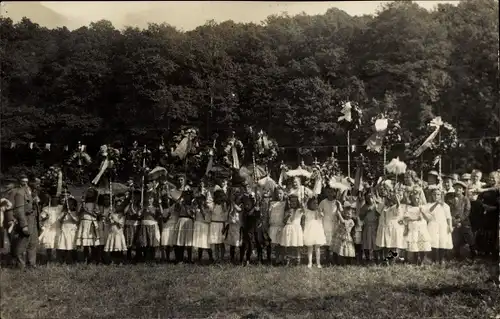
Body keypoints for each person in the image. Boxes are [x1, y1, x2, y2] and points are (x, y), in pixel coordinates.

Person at [7, 175, 39, 269]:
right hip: (25, 220)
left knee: (32, 243)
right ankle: (20, 265)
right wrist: (23, 225)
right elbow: (19, 210)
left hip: (33, 221)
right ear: (30, 182)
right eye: (37, 183)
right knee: (21, 244)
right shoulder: (19, 192)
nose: (38, 185)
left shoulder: (33, 192)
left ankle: (32, 265)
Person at [423, 186, 453, 265]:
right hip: (433, 225)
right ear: (432, 196)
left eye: (438, 194)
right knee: (434, 242)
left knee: (442, 241)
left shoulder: (446, 206)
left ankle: (441, 259)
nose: (436, 196)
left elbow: (448, 217)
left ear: (441, 195)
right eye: (434, 194)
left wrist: (450, 226)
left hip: (443, 225)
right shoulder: (429, 205)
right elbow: (430, 211)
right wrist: (436, 203)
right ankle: (434, 259)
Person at [449, 181, 475, 259]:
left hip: (464, 221)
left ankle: (473, 252)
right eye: (456, 188)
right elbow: (448, 210)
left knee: (469, 236)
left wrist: (460, 220)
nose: (458, 190)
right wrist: (454, 220)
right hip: (453, 221)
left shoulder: (465, 199)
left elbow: (467, 211)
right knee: (455, 238)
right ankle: (456, 254)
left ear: (463, 190)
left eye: (460, 188)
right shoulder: (450, 199)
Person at [76, 188, 101, 263]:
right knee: (85, 243)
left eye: (91, 192)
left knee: (93, 242)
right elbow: (78, 212)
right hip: (84, 222)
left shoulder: (95, 204)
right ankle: (86, 258)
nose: (89, 194)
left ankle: (94, 258)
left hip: (91, 223)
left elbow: (97, 215)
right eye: (88, 192)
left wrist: (87, 210)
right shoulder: (83, 203)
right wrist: (81, 205)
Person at [319, 187, 343, 264]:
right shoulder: (323, 202)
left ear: (334, 193)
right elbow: (319, 210)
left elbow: (341, 212)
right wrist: (321, 214)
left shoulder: (337, 202)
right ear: (326, 193)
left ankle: (335, 258)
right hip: (326, 223)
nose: (330, 193)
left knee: (335, 241)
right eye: (328, 192)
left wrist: (339, 207)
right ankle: (327, 258)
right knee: (327, 242)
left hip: (334, 223)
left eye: (331, 192)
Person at [136, 191, 161, 263]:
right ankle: (146, 257)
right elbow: (139, 215)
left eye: (151, 198)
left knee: (152, 242)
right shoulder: (143, 207)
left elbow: (160, 213)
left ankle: (152, 258)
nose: (150, 200)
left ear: (153, 199)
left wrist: (160, 204)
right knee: (145, 242)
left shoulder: (156, 208)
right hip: (144, 225)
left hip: (152, 226)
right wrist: (140, 210)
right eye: (149, 198)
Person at [280, 194, 304, 265]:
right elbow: (283, 221)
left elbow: (302, 221)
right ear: (289, 202)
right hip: (288, 228)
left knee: (296, 245)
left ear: (297, 202)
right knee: (289, 245)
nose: (293, 203)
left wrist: (303, 230)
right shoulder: (287, 211)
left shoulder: (300, 210)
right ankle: (288, 259)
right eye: (291, 201)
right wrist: (287, 216)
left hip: (296, 229)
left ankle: (297, 259)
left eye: (295, 201)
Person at [38, 194, 62, 263]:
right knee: (49, 244)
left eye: (56, 198)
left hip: (58, 227)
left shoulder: (61, 207)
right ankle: (49, 258)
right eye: (53, 198)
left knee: (58, 243)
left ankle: (58, 258)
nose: (54, 200)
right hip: (49, 228)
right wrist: (45, 217)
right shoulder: (46, 208)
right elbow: (41, 218)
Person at [303, 197, 326, 268]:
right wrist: (306, 199)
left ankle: (318, 263)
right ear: (309, 204)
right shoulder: (307, 211)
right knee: (310, 247)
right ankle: (309, 262)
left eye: (316, 203)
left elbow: (322, 216)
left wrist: (319, 211)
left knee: (317, 248)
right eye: (314, 203)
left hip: (317, 231)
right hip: (309, 231)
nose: (316, 204)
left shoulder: (318, 212)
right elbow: (303, 208)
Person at [331, 201, 356, 265]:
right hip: (340, 236)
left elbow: (343, 222)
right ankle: (337, 261)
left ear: (352, 214)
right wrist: (339, 208)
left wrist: (339, 214)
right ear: (344, 213)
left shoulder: (351, 221)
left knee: (347, 250)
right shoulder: (344, 218)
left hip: (346, 237)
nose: (348, 215)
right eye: (346, 213)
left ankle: (348, 262)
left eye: (349, 214)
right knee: (339, 249)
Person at [173, 191, 195, 263]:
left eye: (188, 196)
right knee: (181, 239)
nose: (187, 197)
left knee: (189, 240)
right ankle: (180, 259)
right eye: (185, 196)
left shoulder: (193, 204)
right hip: (181, 220)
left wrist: (189, 210)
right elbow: (176, 209)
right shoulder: (181, 204)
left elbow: (192, 214)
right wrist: (180, 198)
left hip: (189, 221)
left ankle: (189, 259)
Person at [56, 194, 79, 264]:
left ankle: (73, 260)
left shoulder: (75, 212)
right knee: (64, 245)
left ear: (74, 205)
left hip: (72, 230)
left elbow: (76, 221)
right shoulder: (63, 212)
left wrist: (71, 214)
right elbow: (60, 220)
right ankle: (63, 260)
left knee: (72, 245)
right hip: (64, 230)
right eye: (68, 204)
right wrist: (64, 215)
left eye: (71, 205)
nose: (70, 206)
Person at [104, 198, 127, 265]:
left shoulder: (122, 215)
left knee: (119, 247)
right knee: (113, 247)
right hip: (112, 232)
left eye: (120, 205)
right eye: (117, 205)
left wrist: (114, 219)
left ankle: (120, 261)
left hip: (118, 233)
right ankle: (112, 261)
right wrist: (109, 216)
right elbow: (107, 222)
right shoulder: (112, 214)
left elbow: (121, 225)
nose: (118, 207)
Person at [360, 191, 380, 263]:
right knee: (366, 243)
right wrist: (365, 212)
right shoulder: (364, 206)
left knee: (375, 243)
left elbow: (380, 215)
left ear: (374, 197)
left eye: (371, 197)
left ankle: (376, 259)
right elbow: (361, 217)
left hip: (375, 226)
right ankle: (367, 259)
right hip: (367, 226)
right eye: (367, 198)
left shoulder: (377, 205)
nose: (369, 199)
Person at [268, 188, 286, 264]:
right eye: (277, 193)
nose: (279, 195)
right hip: (273, 225)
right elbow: (269, 214)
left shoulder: (285, 203)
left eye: (280, 193)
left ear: (283, 194)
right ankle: (276, 258)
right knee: (274, 243)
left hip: (281, 225)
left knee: (281, 244)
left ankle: (281, 258)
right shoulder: (272, 203)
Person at [192, 194, 213, 263]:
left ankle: (211, 257)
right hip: (198, 225)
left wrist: (201, 208)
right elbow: (194, 216)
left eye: (201, 200)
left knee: (206, 242)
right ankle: (199, 258)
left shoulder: (207, 208)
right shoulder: (196, 207)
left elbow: (205, 217)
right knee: (199, 243)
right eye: (199, 200)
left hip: (204, 226)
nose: (200, 201)